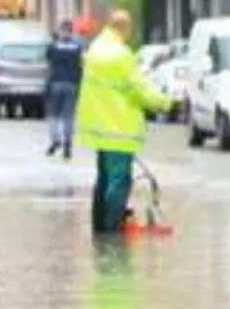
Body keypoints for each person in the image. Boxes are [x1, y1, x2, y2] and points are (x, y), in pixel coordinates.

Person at [74, 9, 175, 235]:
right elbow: (139, 89)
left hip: (99, 127)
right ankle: (112, 229)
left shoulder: (95, 50)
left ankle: (99, 227)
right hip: (119, 127)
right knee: (119, 181)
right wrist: (167, 103)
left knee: (104, 178)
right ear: (124, 28)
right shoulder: (120, 55)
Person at [45, 19, 83, 159]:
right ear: (71, 31)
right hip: (71, 84)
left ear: (61, 31)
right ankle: (68, 143)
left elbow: (48, 60)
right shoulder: (77, 48)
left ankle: (55, 140)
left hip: (55, 82)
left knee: (53, 114)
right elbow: (80, 66)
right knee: (68, 116)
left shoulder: (53, 47)